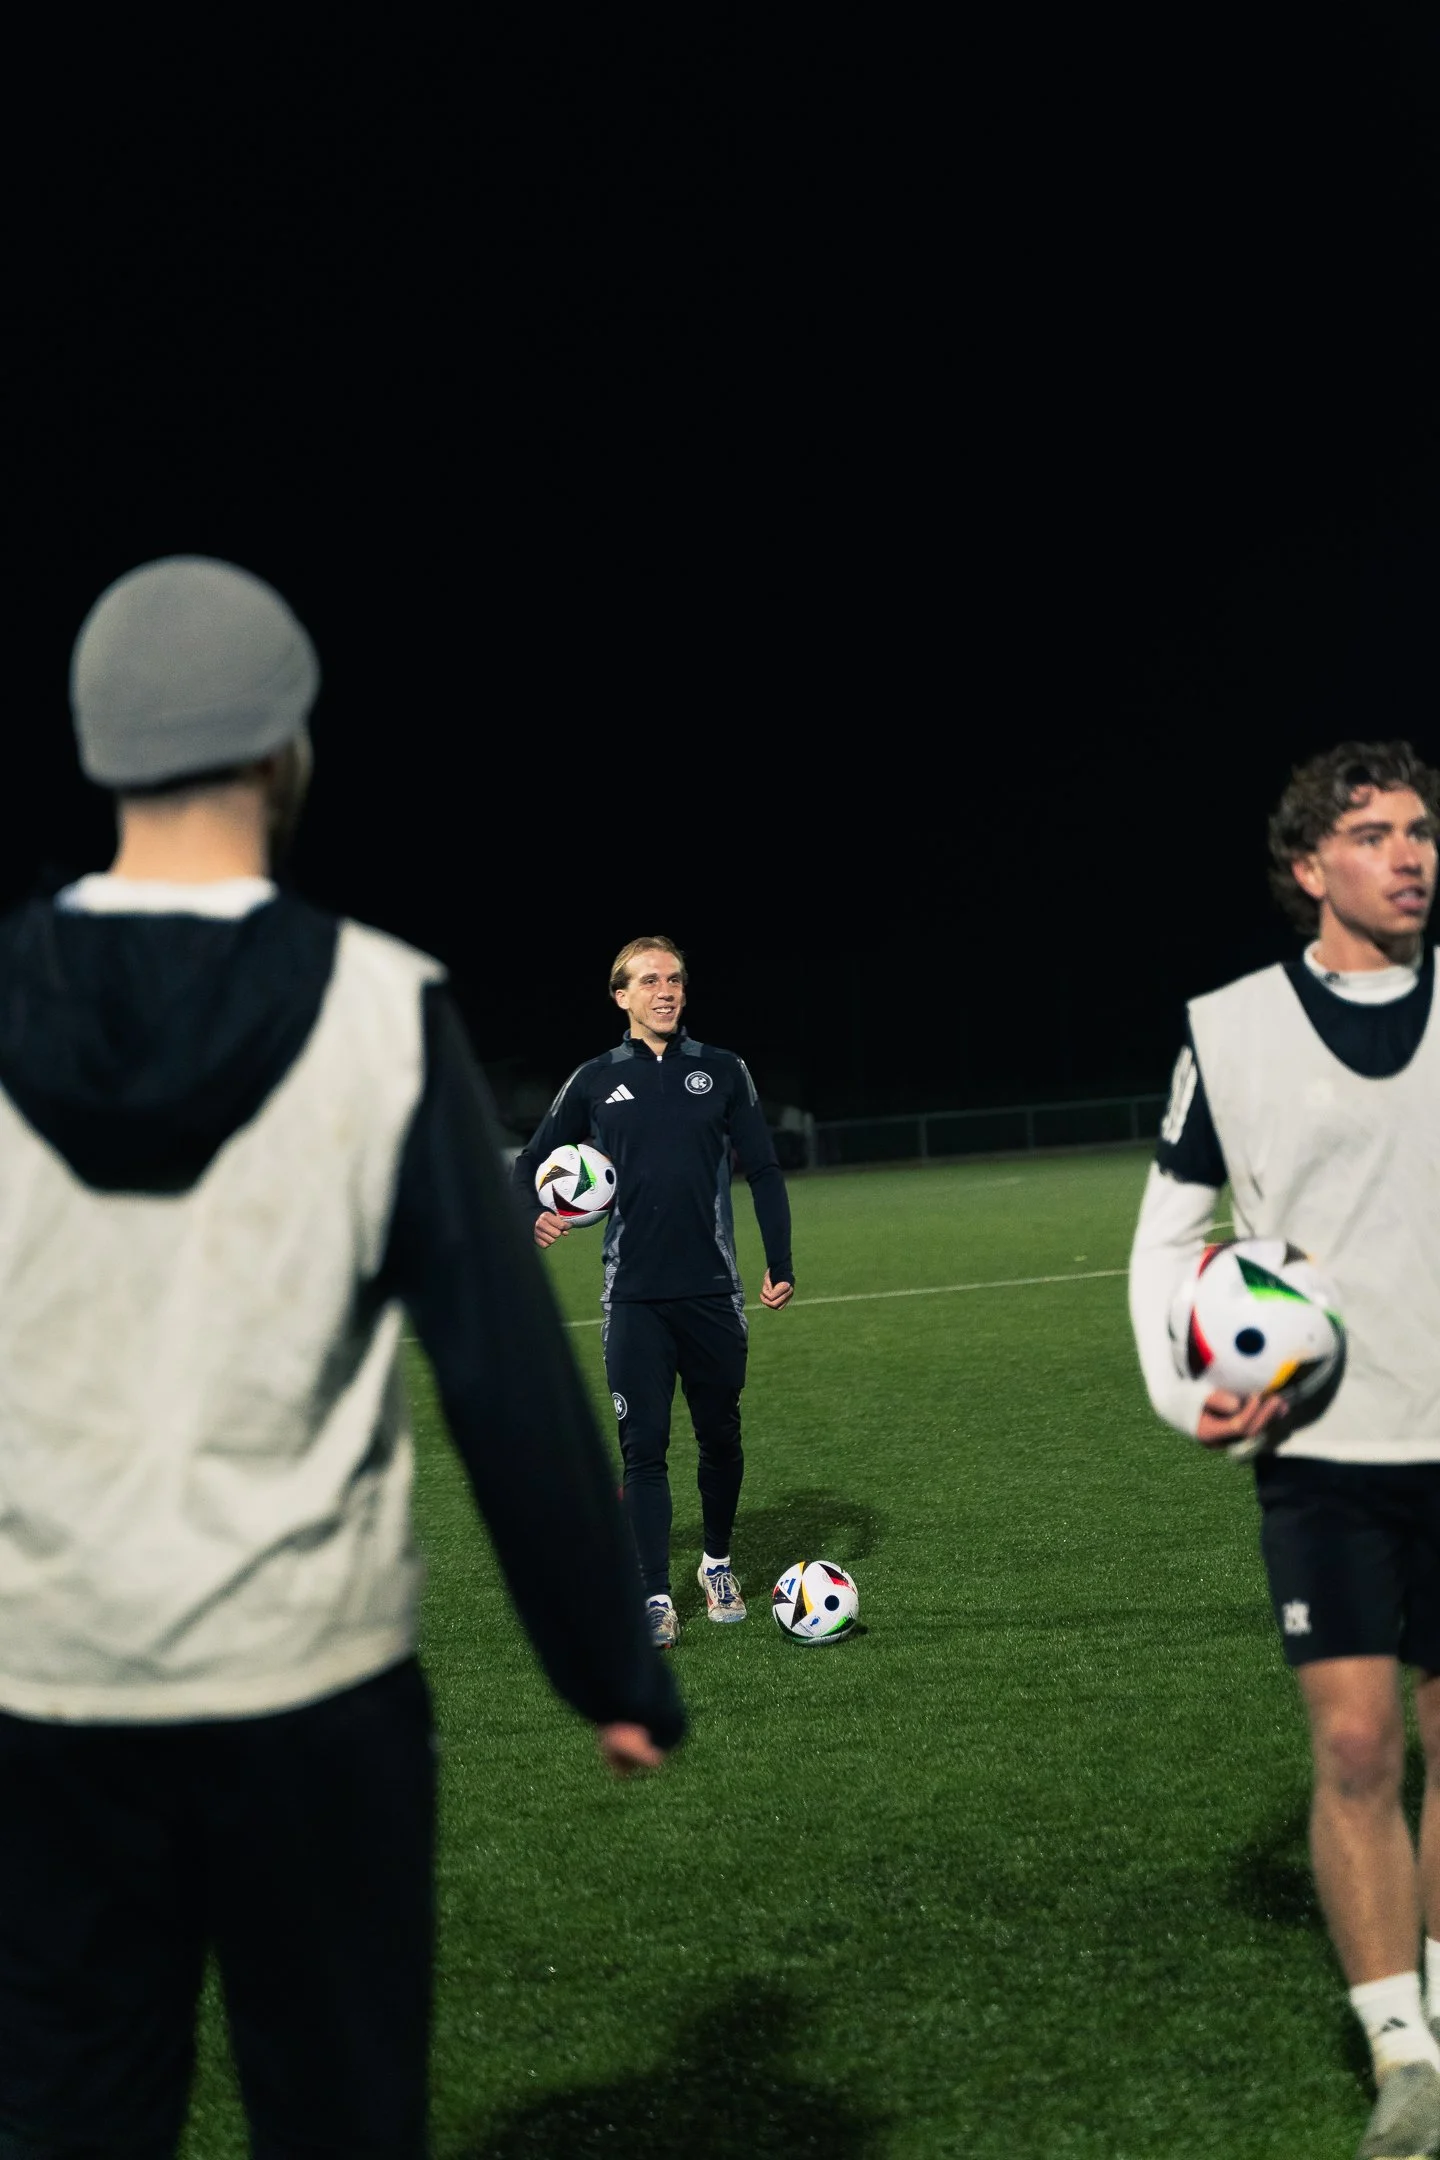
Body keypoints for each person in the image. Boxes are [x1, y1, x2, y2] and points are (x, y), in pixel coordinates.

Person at [0, 557, 682, 2160]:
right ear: (286, 746)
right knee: (340, 2120)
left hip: (47, 1691)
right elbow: (504, 1375)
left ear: (101, 751)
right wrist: (608, 1665)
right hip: (313, 1695)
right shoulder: (385, 1011)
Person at [1129, 740, 1440, 2160]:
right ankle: (1400, 2051)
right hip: (1322, 1450)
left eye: (1422, 830)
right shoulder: (1230, 1028)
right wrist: (1183, 1393)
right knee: (1360, 1741)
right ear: (1310, 866)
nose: (1412, 854)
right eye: (1374, 834)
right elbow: (1167, 1237)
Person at [515, 937, 795, 1648]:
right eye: (648, 981)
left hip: (712, 1293)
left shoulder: (724, 1071)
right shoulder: (594, 1079)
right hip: (633, 1297)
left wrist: (781, 1260)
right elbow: (530, 1164)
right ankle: (652, 1595)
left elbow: (762, 1169)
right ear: (621, 996)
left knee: (720, 1436)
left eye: (673, 979)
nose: (665, 991)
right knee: (642, 1448)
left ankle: (717, 1565)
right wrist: (536, 1216)